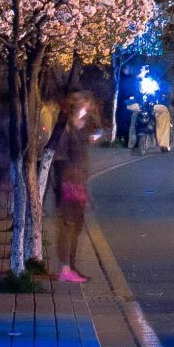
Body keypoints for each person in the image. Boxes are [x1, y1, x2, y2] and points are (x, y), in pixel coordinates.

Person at [48, 91, 103, 283]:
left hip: (77, 181)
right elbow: (58, 157)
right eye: (84, 103)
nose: (88, 105)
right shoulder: (65, 128)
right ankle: (65, 268)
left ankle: (71, 266)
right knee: (66, 226)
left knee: (76, 226)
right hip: (67, 182)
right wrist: (64, 182)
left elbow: (98, 130)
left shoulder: (80, 126)